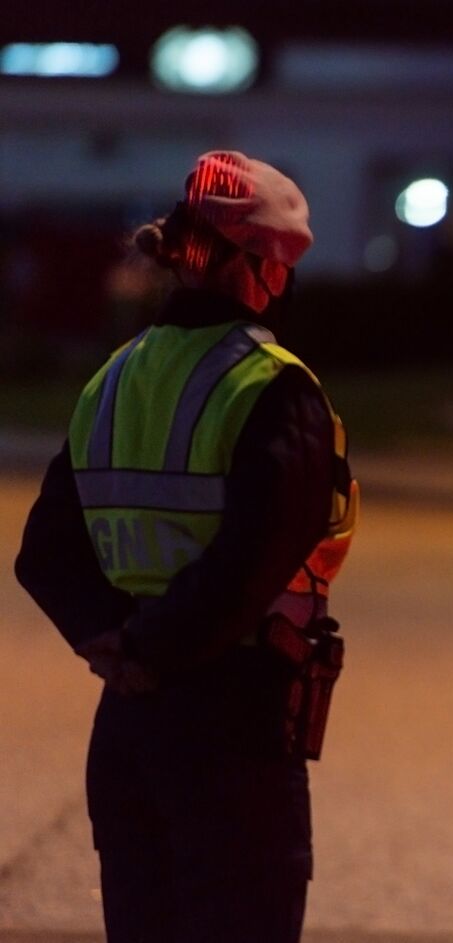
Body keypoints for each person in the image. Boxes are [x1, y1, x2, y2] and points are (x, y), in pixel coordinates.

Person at [14, 150, 357, 943]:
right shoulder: (272, 384)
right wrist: (152, 645)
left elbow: (44, 551)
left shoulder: (113, 378)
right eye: (282, 265)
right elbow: (259, 550)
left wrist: (116, 641)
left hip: (130, 722)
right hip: (234, 718)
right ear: (256, 266)